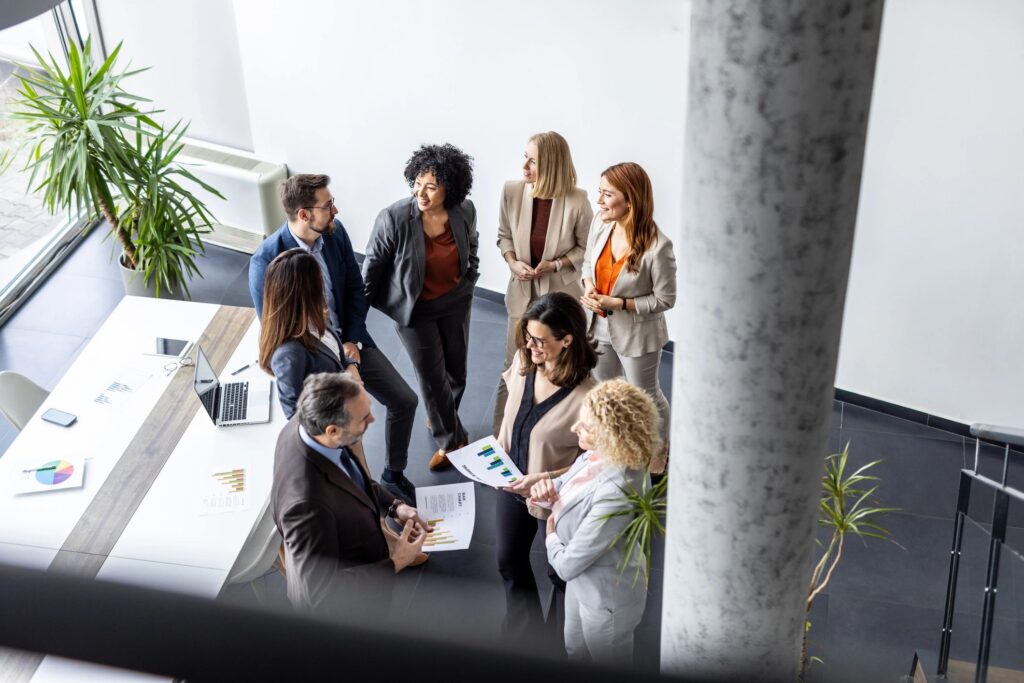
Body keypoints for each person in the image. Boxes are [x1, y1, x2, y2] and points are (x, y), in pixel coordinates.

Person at [250, 174, 419, 503]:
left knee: (405, 400)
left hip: (346, 341)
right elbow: (277, 329)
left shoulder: (335, 233)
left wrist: (352, 344)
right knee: (352, 444)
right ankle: (374, 502)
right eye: (328, 206)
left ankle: (393, 476)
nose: (336, 210)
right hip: (315, 361)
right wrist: (342, 371)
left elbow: (356, 289)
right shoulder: (267, 262)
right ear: (304, 214)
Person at [272, 372, 432, 612]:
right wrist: (396, 561)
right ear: (333, 430)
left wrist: (395, 507)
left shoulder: (307, 425)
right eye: (364, 418)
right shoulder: (307, 507)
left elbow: (348, 477)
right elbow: (320, 593)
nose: (373, 420)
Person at [362, 143, 479, 471]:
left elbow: (472, 244)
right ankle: (451, 441)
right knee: (432, 379)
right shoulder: (394, 217)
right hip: (415, 311)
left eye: (431, 186)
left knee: (457, 373)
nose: (421, 192)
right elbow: (371, 268)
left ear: (450, 188)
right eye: (417, 183)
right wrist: (355, 320)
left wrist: (469, 280)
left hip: (455, 302)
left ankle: (439, 415)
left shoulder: (464, 210)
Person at [530, 379, 659, 664]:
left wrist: (551, 535)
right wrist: (543, 492)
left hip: (606, 597)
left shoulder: (618, 492)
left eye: (586, 427)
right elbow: (564, 486)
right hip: (583, 583)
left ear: (611, 437)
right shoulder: (597, 455)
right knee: (574, 649)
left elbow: (565, 566)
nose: (575, 428)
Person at [495, 292, 597, 643]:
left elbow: (594, 461)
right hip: (509, 483)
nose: (529, 345)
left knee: (559, 576)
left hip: (554, 497)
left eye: (539, 340)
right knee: (508, 559)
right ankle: (524, 636)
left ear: (567, 339)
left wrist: (546, 479)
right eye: (527, 336)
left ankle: (560, 644)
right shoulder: (525, 364)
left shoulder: (587, 399)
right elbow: (510, 410)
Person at [494, 132, 593, 432]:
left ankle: (552, 437)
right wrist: (512, 261)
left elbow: (586, 247)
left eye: (532, 161)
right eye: (524, 157)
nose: (524, 165)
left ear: (551, 164)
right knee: (514, 365)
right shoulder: (511, 191)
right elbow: (503, 236)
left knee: (559, 367)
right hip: (522, 293)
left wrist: (557, 264)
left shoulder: (577, 200)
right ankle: (502, 437)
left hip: (560, 300)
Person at [580, 162, 676, 464]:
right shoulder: (600, 222)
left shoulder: (658, 247)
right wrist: (588, 288)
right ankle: (616, 447)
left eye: (607, 195)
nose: (599, 201)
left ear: (630, 200)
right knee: (606, 388)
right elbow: (587, 264)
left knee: (645, 394)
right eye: (600, 192)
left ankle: (659, 452)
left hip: (637, 334)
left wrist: (619, 304)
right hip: (598, 328)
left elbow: (665, 299)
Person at [257, 248, 359, 418]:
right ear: (306, 292)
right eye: (318, 281)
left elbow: (333, 353)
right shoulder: (288, 355)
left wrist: (351, 366)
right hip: (335, 426)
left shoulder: (314, 317)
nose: (324, 287)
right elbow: (296, 416)